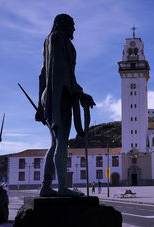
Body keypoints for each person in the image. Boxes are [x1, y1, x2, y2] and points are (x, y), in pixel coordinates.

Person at [36, 14, 95, 197]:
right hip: (59, 94)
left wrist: (41, 103)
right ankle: (62, 188)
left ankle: (46, 186)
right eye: (72, 25)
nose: (74, 29)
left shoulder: (54, 41)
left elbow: (43, 74)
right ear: (62, 24)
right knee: (62, 142)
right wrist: (77, 92)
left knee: (55, 143)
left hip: (53, 93)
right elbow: (59, 73)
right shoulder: (57, 39)